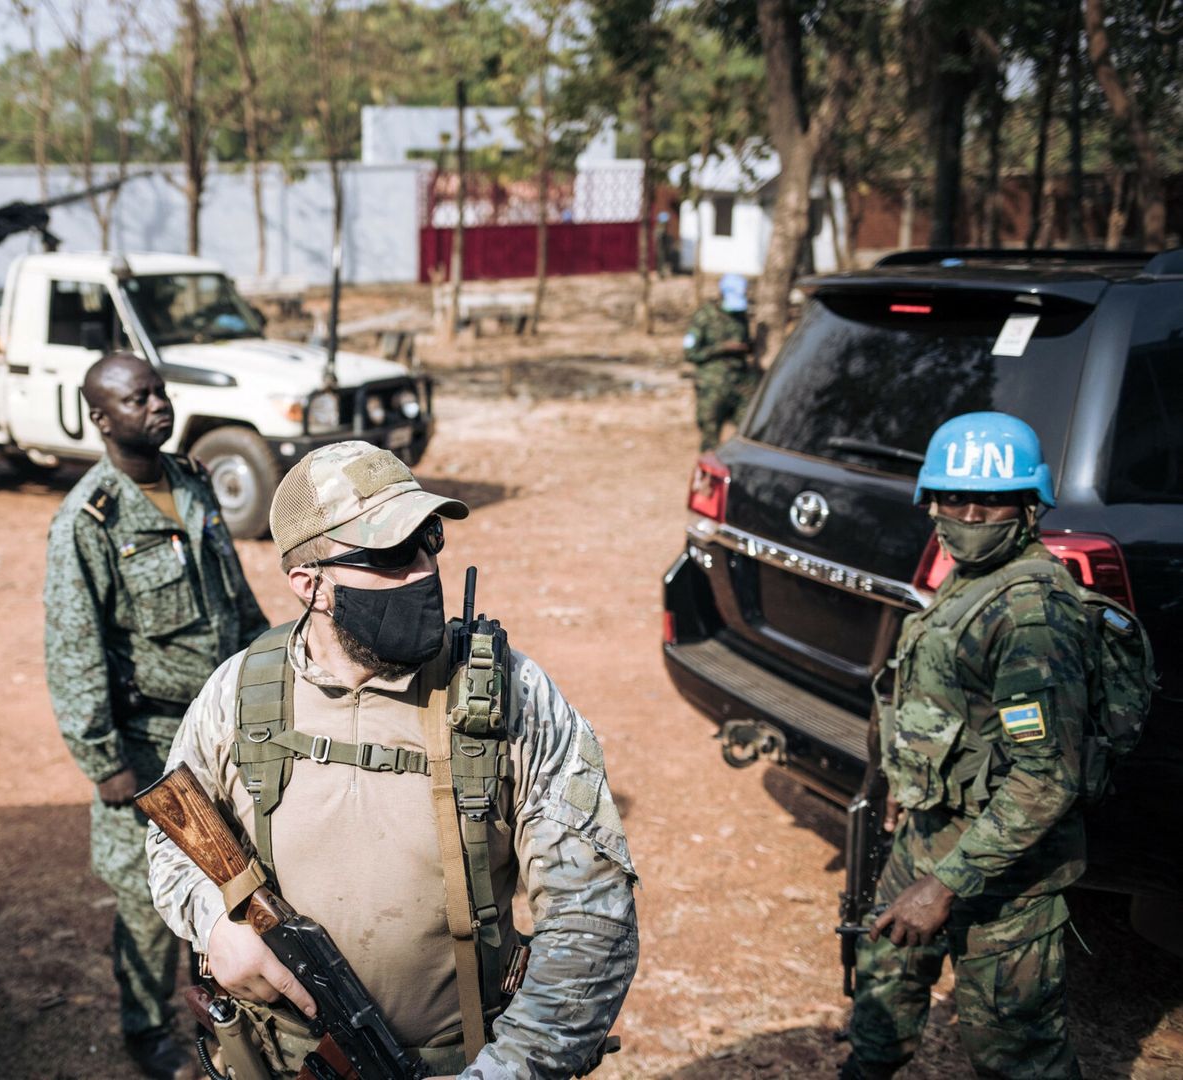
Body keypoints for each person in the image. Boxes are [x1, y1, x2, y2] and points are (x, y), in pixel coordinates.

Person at [145, 440, 639, 1078]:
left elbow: (589, 914)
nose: (423, 571)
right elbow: (171, 840)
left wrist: (507, 1071)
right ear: (310, 585)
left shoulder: (506, 695)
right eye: (389, 555)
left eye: (428, 540)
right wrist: (215, 925)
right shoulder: (239, 694)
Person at [843, 413, 1094, 1079]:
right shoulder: (967, 579)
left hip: (1007, 866)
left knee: (1015, 1053)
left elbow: (1046, 781)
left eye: (991, 501)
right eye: (953, 499)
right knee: (880, 995)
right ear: (930, 501)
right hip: (927, 834)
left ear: (1029, 507)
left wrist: (945, 886)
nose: (970, 514)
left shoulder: (1033, 615)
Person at [44, 352, 271, 1080]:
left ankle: (225, 1012)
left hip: (220, 728)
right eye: (137, 399)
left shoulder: (192, 482)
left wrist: (273, 668)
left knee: (232, 873)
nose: (158, 406)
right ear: (102, 418)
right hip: (146, 741)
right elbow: (72, 643)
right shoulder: (89, 518)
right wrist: (103, 761)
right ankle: (146, 1030)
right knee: (146, 899)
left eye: (160, 392)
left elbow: (235, 597)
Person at [683, 273, 756, 452]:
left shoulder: (741, 315)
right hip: (712, 385)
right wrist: (721, 348)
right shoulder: (704, 316)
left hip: (740, 382)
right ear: (722, 294)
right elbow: (690, 353)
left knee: (748, 428)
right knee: (710, 435)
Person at [653, 210, 676, 278]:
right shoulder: (660, 228)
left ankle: (662, 274)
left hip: (664, 248)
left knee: (664, 261)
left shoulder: (663, 228)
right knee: (661, 261)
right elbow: (658, 238)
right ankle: (660, 274)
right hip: (661, 248)